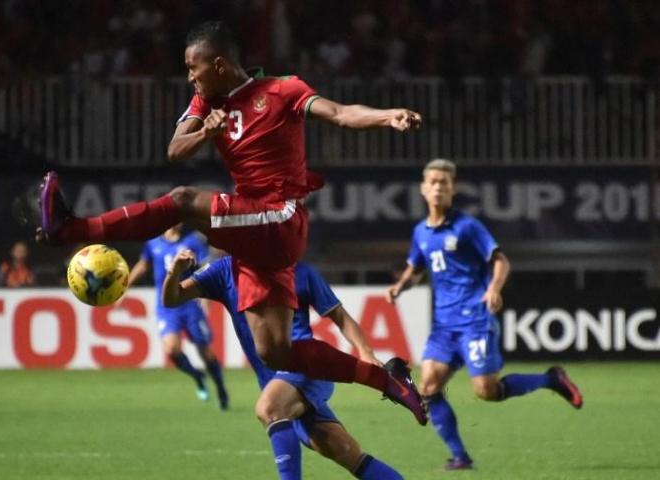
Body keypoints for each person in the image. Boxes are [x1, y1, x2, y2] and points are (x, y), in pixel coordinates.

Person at [36, 21, 426, 424]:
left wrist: (387, 116)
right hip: (254, 235)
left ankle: (71, 229)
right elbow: (175, 150)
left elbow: (341, 113)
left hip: (280, 215)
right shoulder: (205, 103)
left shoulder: (283, 90)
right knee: (274, 350)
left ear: (219, 64)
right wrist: (205, 131)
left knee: (184, 200)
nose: (190, 76)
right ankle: (388, 381)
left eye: (194, 67)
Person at [386, 159, 583, 470]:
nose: (438, 187)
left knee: (486, 391)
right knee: (428, 386)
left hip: (475, 319)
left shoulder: (467, 226)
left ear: (452, 189)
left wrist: (493, 289)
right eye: (433, 182)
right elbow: (416, 268)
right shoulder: (420, 232)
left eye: (444, 182)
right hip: (443, 325)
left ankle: (551, 379)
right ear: (423, 189)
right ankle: (460, 457)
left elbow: (500, 261)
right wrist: (400, 286)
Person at [163, 249, 404, 480]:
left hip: (307, 368)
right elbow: (172, 299)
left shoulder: (301, 272)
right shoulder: (225, 270)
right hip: (275, 382)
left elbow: (340, 317)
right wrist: (174, 272)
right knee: (343, 449)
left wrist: (365, 351)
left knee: (269, 408)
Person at [123, 225, 228, 409]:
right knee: (172, 349)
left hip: (189, 303)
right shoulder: (153, 243)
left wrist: (208, 294)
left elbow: (205, 266)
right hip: (167, 307)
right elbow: (143, 264)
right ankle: (197, 377)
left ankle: (220, 387)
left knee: (206, 353)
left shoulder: (191, 242)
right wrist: (126, 286)